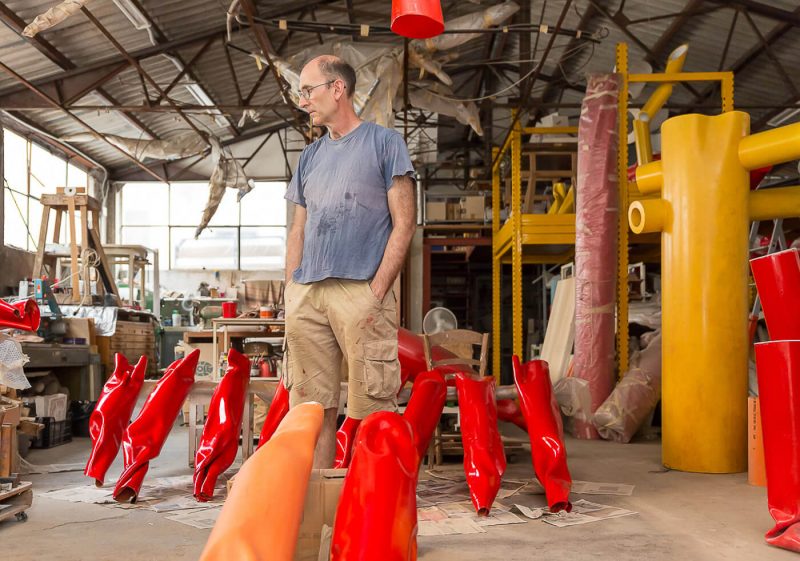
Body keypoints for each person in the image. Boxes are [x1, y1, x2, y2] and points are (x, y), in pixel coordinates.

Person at [283, 55, 416, 467]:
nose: (303, 100)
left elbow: (405, 224)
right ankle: (320, 512)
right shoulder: (310, 157)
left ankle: (370, 519)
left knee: (373, 412)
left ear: (337, 88)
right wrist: (292, 289)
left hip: (360, 291)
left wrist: (376, 291)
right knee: (310, 412)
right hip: (308, 295)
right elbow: (297, 230)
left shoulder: (384, 143)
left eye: (308, 90)